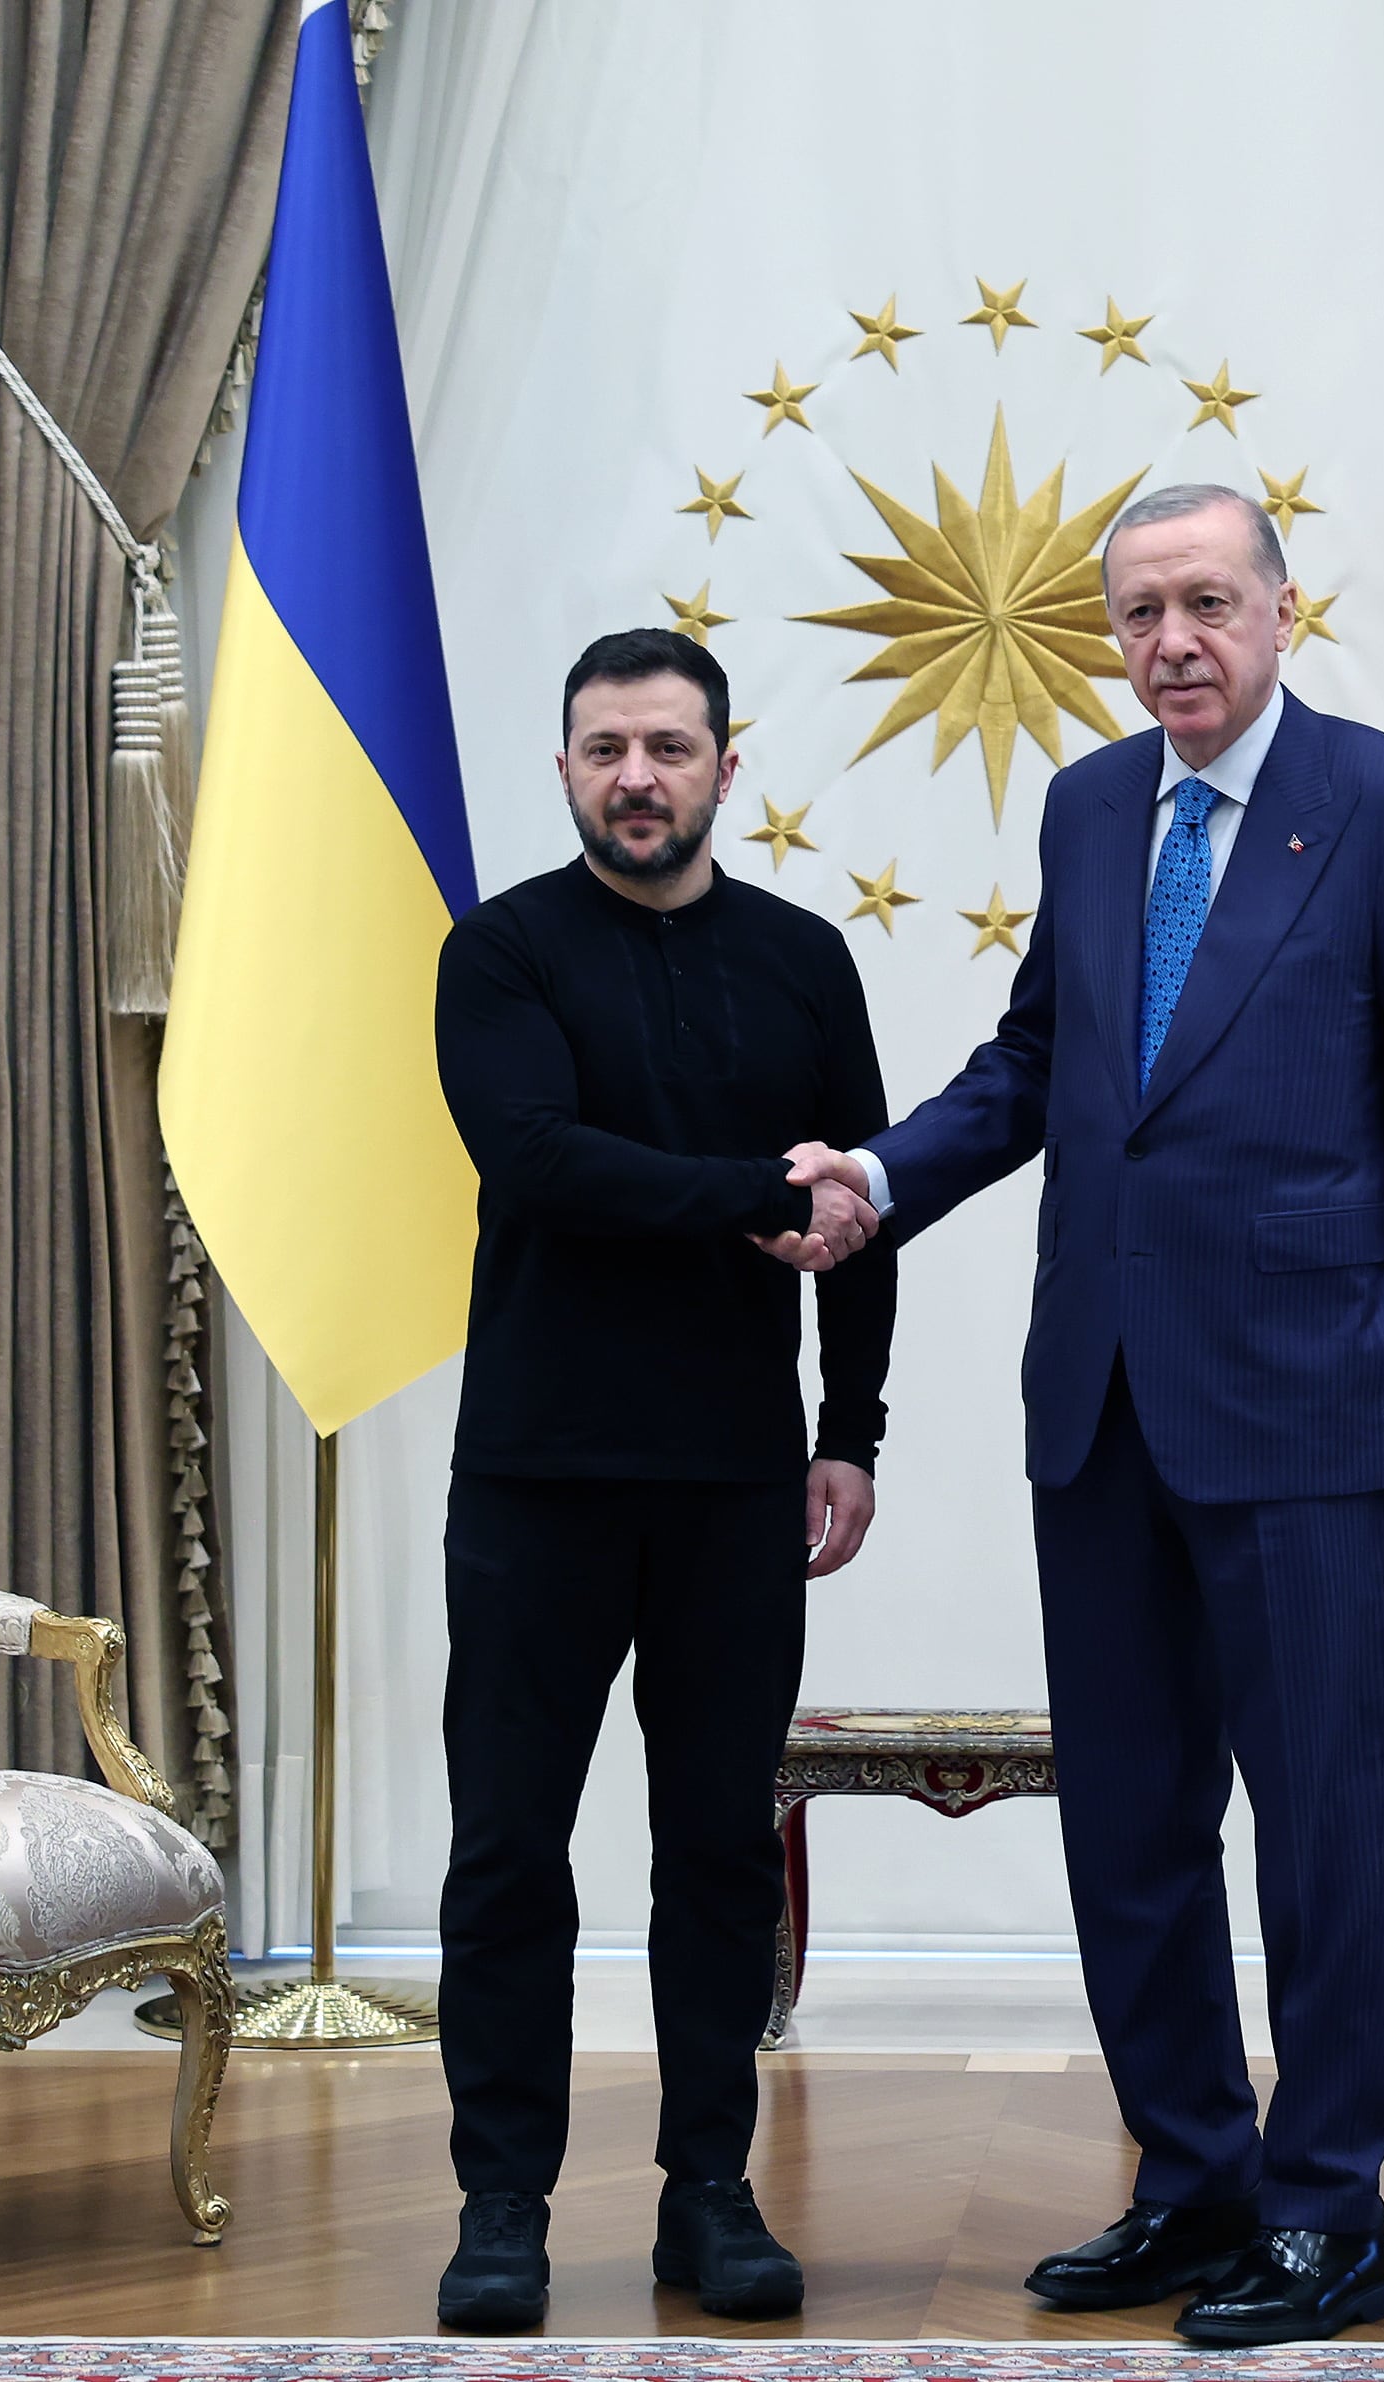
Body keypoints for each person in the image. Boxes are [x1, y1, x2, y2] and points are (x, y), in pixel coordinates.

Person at [780, 485, 1384, 2346]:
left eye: (1205, 603)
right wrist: (878, 1168)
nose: (1171, 640)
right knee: (1128, 1823)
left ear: (1280, 609)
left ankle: (1331, 2217)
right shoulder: (1096, 806)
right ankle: (1195, 2181)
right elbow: (1042, 1059)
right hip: (1098, 1397)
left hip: (1313, 1405)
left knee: (1321, 1825)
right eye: (1138, 612)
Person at [428, 626, 892, 2332]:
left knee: (711, 1850)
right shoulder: (501, 952)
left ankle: (710, 2188)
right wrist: (754, 1203)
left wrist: (851, 1425)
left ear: (722, 764)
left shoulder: (800, 956)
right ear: (564, 769)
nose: (637, 776)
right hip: (540, 1475)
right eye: (605, 747)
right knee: (508, 1854)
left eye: (668, 747)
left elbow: (859, 1201)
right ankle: (501, 2203)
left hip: (730, 1484)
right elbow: (539, 1161)